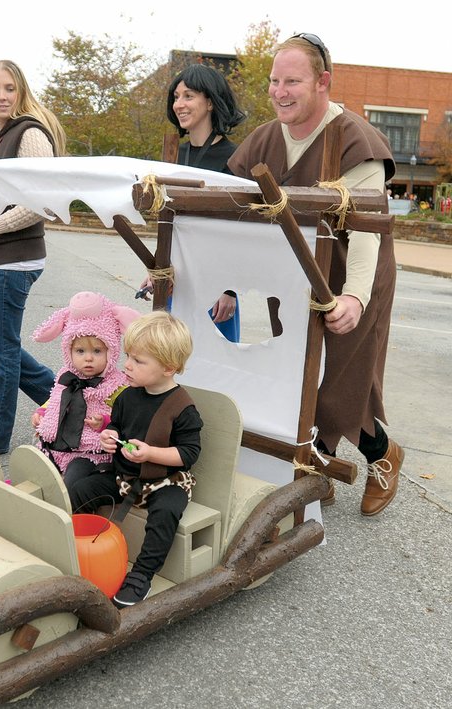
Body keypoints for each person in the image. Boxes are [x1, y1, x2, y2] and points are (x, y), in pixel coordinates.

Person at [227, 33, 402, 516]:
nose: (280, 91)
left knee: (344, 376)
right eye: (274, 81)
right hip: (298, 273)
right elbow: (234, 221)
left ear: (323, 81)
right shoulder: (262, 141)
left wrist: (355, 299)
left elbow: (366, 234)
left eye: (293, 81)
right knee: (301, 370)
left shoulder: (355, 140)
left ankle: (375, 455)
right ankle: (320, 461)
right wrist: (227, 286)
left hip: (353, 276)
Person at [0, 59, 67, 454]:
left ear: (21, 91)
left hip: (12, 259)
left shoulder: (30, 134)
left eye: (9, 88)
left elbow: (44, 202)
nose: (2, 96)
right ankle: (65, 402)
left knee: (1, 350)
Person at [68, 311, 203, 607]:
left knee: (166, 513)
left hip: (166, 480)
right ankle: (70, 545)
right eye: (128, 356)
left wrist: (151, 453)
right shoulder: (128, 396)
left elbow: (189, 454)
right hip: (125, 478)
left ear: (168, 368)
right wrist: (109, 435)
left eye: (138, 361)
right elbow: (117, 424)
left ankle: (141, 575)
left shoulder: (183, 408)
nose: (126, 365)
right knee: (81, 489)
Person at [147, 64, 246, 341]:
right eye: (176, 97)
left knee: (213, 375)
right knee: (166, 370)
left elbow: (242, 230)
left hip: (216, 289)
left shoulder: (236, 158)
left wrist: (230, 289)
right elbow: (170, 223)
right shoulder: (172, 155)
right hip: (174, 282)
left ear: (211, 102)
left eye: (188, 96)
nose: (179, 104)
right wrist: (157, 268)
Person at [31, 292, 139, 491]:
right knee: (35, 471)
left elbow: (126, 417)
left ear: (112, 350)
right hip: (55, 446)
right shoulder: (66, 375)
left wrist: (104, 423)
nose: (88, 359)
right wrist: (42, 412)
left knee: (72, 483)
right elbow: (55, 399)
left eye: (97, 351)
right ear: (68, 351)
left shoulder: (115, 384)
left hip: (89, 452)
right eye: (80, 351)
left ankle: (69, 513)